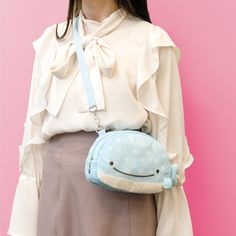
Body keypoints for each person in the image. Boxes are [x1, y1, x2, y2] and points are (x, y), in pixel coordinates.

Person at [7, 0, 194, 235]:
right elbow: (33, 149)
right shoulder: (51, 42)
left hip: (127, 196)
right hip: (59, 198)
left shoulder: (151, 41)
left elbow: (168, 158)